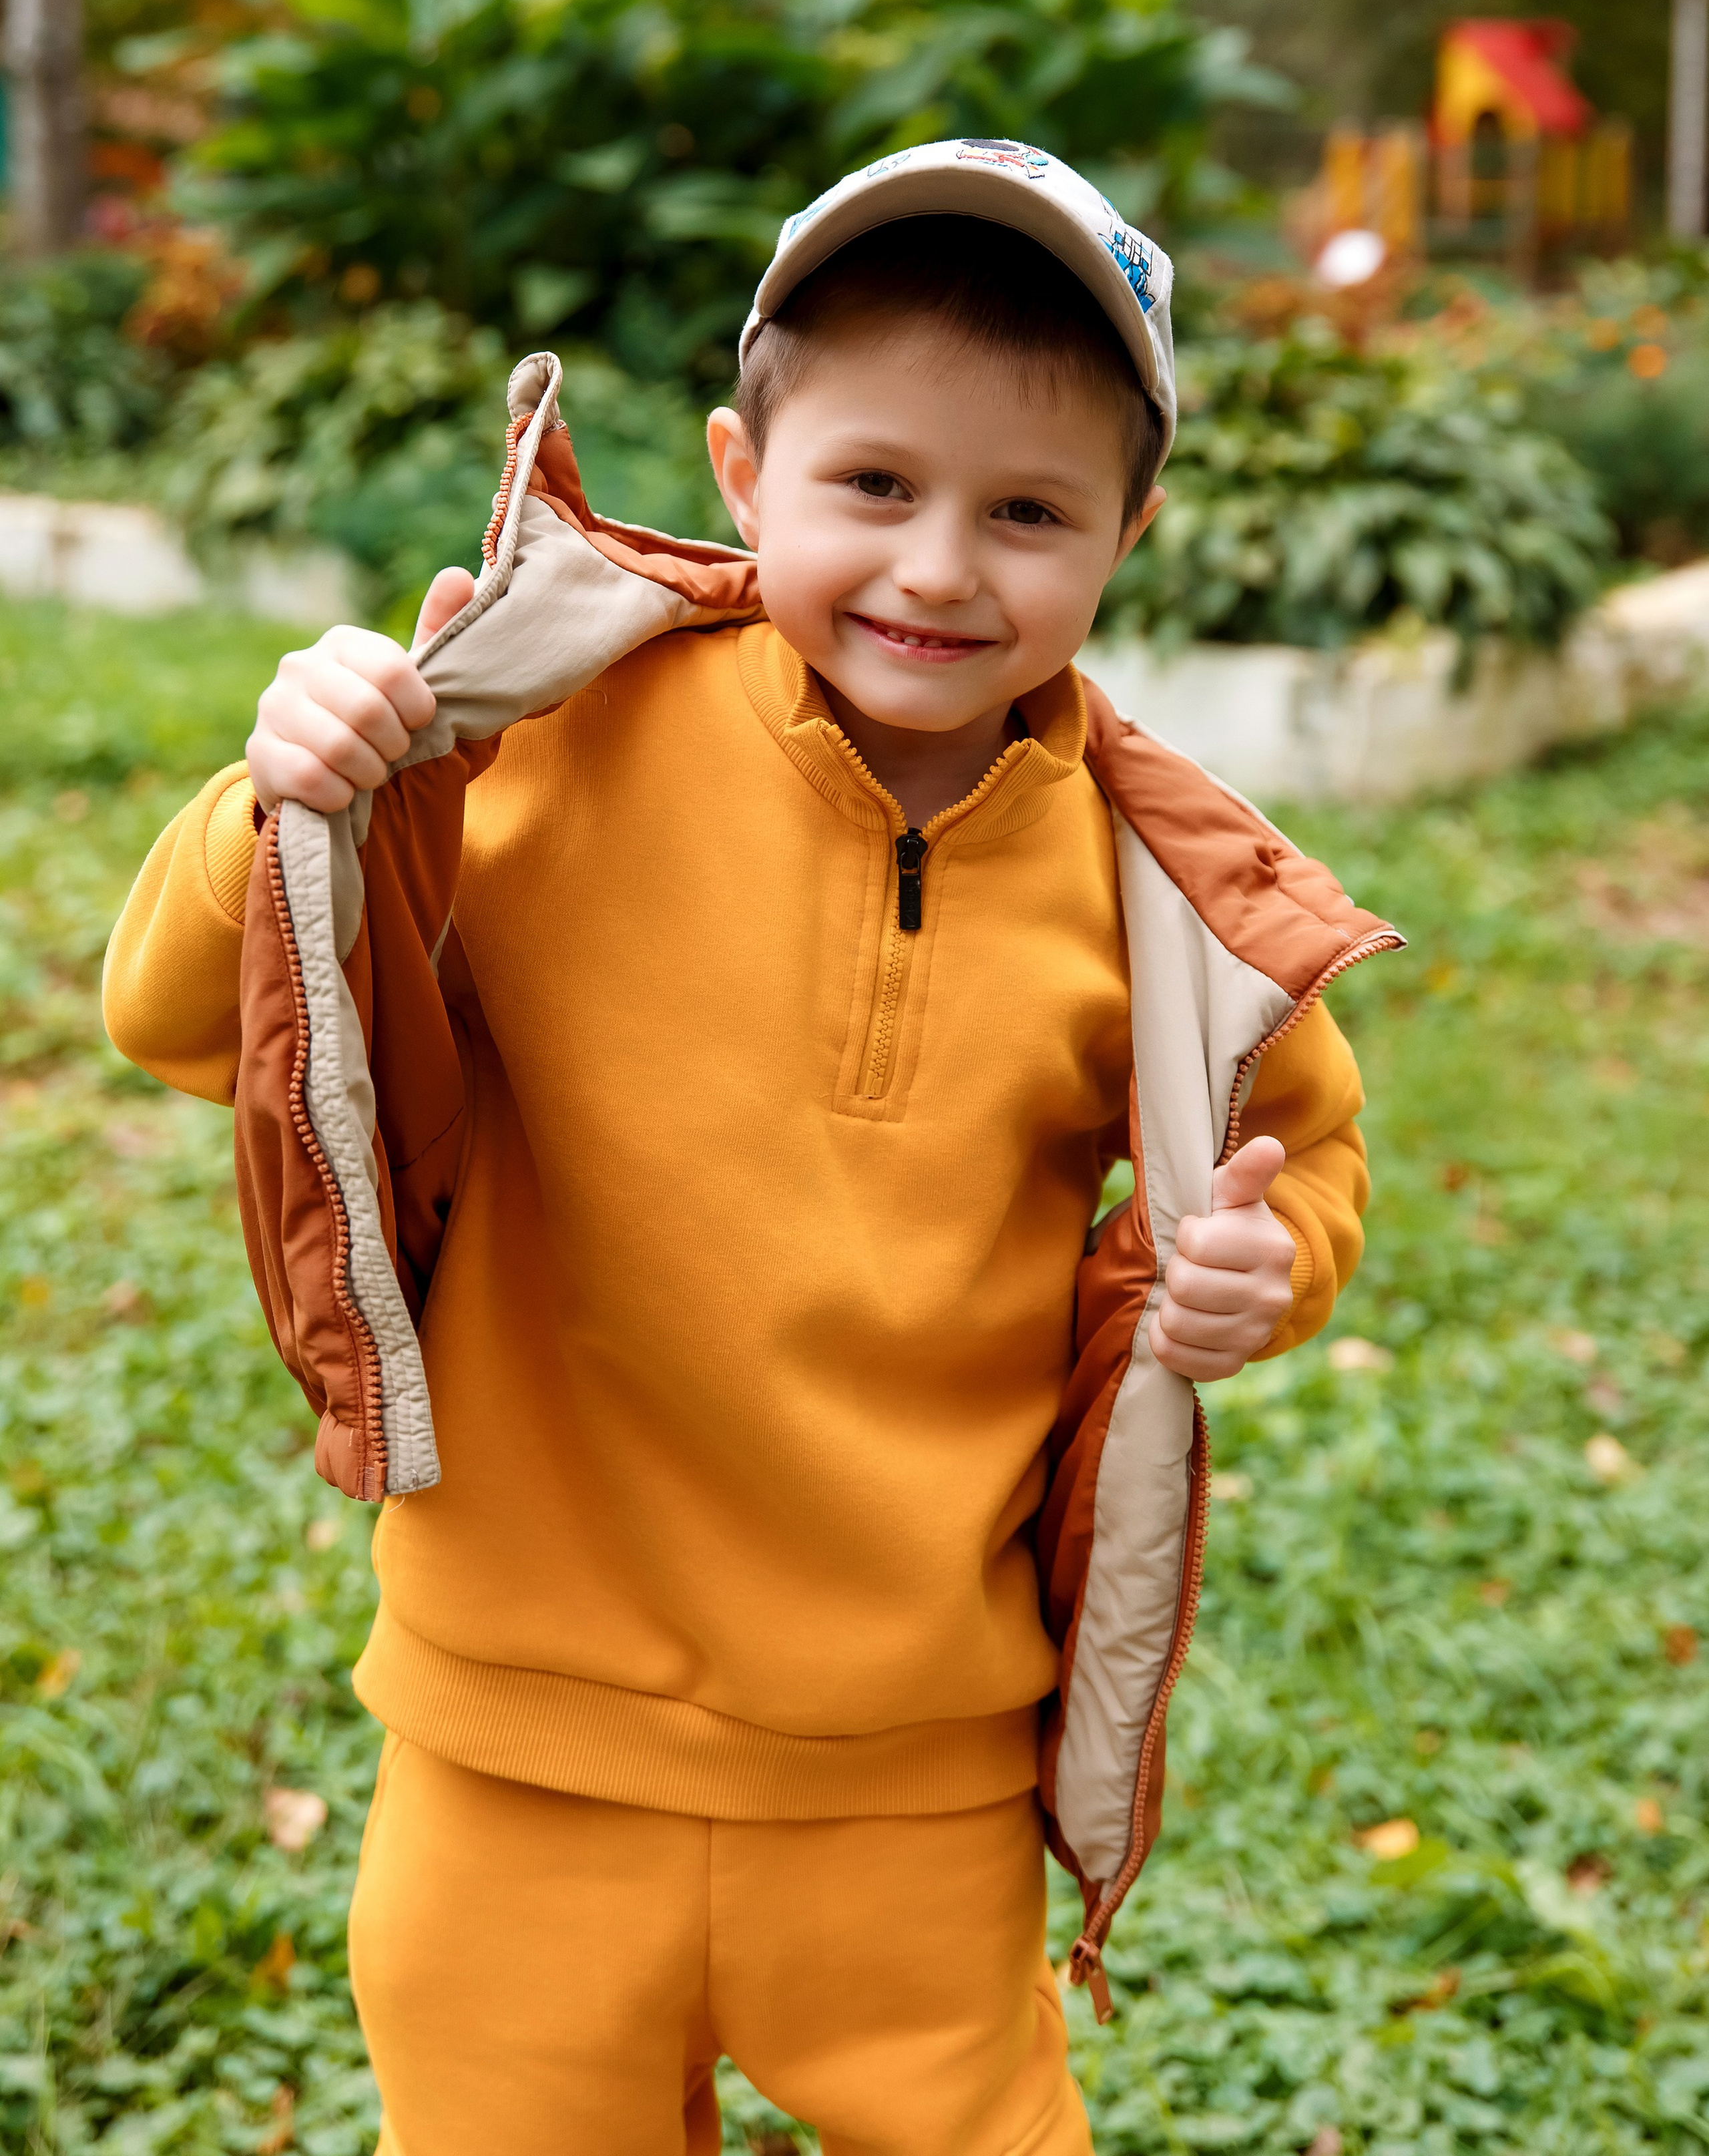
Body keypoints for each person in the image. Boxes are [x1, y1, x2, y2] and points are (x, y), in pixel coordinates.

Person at [104, 140, 1394, 2156]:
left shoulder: (1160, 893)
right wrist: (287, 796)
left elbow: (1305, 1151)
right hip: (517, 1748)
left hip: (916, 1779)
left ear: (1128, 535)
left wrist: (1272, 1260)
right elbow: (188, 1019)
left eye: (1028, 511)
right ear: (742, 471)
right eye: (874, 484)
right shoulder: (541, 738)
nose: (939, 569)